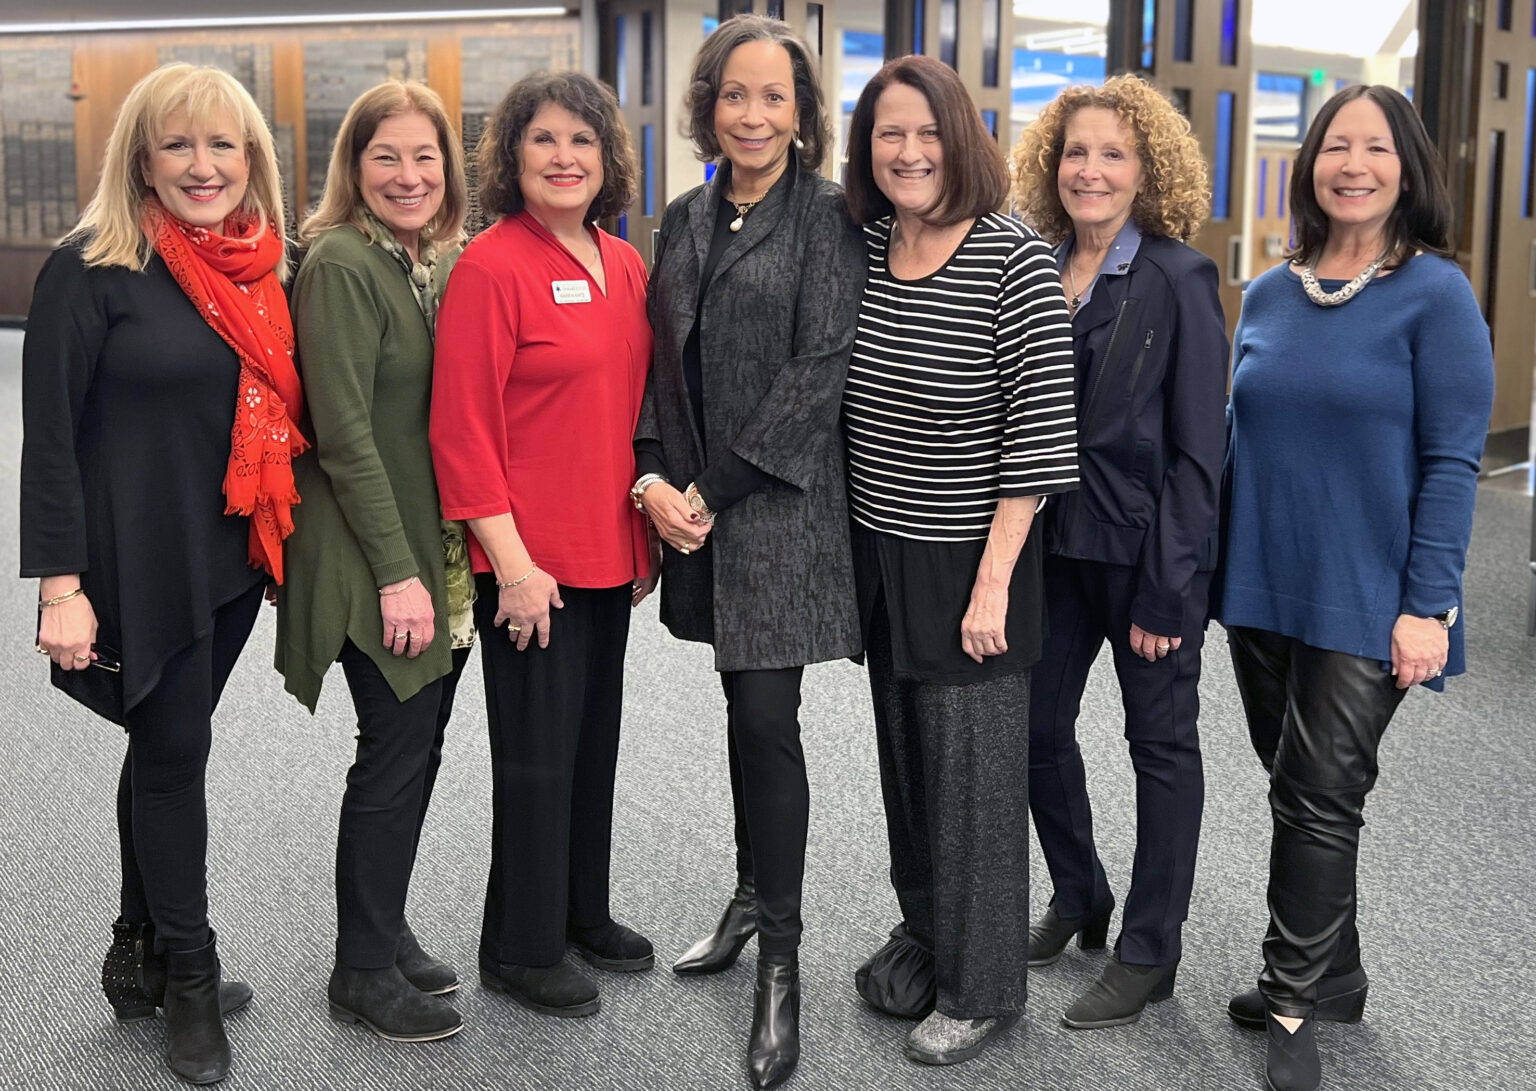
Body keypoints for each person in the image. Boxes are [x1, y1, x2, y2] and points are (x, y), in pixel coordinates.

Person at [20, 63, 302, 1084]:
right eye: (179, 144)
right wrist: (61, 583)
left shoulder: (265, 267)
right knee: (176, 749)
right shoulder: (90, 267)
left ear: (250, 158)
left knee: (163, 737)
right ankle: (191, 973)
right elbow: (47, 441)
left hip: (228, 558)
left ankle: (136, 947)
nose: (202, 165)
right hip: (135, 560)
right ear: (140, 156)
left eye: (222, 145)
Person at [1213, 84, 1493, 1091]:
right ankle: (1338, 970)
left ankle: (1291, 998)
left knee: (1324, 795)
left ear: (1407, 168)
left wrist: (1431, 602)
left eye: (1376, 148)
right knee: (1298, 788)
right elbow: (1243, 438)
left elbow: (1456, 459)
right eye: (1337, 146)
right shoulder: (1275, 288)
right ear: (1311, 163)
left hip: (1373, 593)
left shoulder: (1437, 294)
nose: (1354, 164)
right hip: (1262, 583)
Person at [633, 14, 865, 1088]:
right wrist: (652, 479)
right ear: (708, 104)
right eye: (735, 94)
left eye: (775, 97)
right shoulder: (681, 216)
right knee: (740, 706)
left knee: (769, 720)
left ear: (804, 112)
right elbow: (653, 367)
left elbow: (820, 374)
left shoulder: (829, 217)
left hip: (775, 509)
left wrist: (709, 491)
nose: (754, 114)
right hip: (694, 512)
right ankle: (746, 887)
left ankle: (782, 957)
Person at [840, 54, 1078, 1066]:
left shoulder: (1012, 258)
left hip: (974, 559)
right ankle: (931, 931)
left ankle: (982, 986)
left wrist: (992, 581)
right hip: (881, 550)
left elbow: (1039, 432)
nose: (909, 151)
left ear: (962, 139)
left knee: (977, 781)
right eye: (890, 133)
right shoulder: (866, 243)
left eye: (927, 132)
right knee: (907, 766)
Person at [430, 70, 656, 1022]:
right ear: (512, 157)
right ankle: (520, 947)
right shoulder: (493, 265)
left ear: (606, 162)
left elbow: (631, 409)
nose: (565, 159)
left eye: (583, 144)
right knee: (534, 754)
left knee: (590, 746)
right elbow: (461, 429)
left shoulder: (622, 260)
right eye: (545, 142)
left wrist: (643, 534)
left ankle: (579, 909)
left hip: (608, 554)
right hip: (529, 565)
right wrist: (512, 566)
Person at [1007, 73, 1227, 1029]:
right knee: (1032, 731)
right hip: (1049, 552)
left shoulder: (1178, 276)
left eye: (1113, 153)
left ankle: (1149, 952)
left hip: (1143, 560)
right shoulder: (1038, 262)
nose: (1089, 170)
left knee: (1160, 749)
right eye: (1076, 151)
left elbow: (1196, 452)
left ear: (1148, 170)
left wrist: (1169, 593)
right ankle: (1082, 891)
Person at [277, 80, 471, 1043]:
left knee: (419, 744)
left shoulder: (418, 260)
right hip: (370, 553)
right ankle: (359, 969)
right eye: (386, 155)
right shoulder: (344, 262)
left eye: (425, 156)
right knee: (393, 754)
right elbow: (344, 434)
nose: (408, 174)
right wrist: (401, 573)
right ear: (354, 165)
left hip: (423, 543)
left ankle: (383, 926)